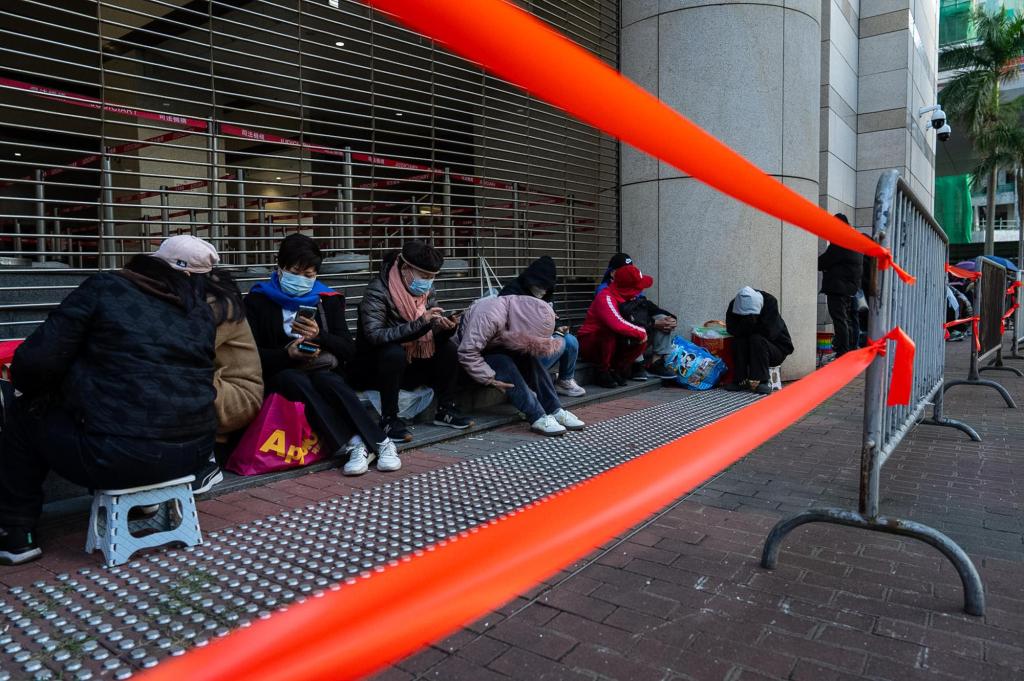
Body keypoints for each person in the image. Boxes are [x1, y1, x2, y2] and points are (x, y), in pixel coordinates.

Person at [0, 237, 221, 566]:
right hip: (194, 456)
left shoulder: (104, 288)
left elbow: (34, 362)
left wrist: (36, 391)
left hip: (116, 456)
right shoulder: (200, 312)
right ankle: (145, 500)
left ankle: (16, 534)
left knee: (22, 413)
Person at [246, 234, 398, 477]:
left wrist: (319, 336)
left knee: (327, 380)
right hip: (280, 373)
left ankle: (382, 443)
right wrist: (287, 354)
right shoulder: (257, 300)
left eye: (309, 274)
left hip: (320, 368)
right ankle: (354, 443)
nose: (301, 279)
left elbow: (348, 349)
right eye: (295, 272)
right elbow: (251, 354)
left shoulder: (327, 300)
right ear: (280, 267)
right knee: (293, 379)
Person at [354, 240, 472, 443]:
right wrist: (421, 323)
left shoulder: (426, 291)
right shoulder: (378, 290)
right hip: (377, 367)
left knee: (448, 349)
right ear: (405, 269)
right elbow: (375, 335)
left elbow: (429, 333)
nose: (428, 282)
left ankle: (446, 410)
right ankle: (389, 419)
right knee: (394, 353)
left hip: (412, 362)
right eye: (424, 277)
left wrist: (445, 328)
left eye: (432, 277)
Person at [457, 294, 585, 436]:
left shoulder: (517, 311)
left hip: (496, 347)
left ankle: (554, 409)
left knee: (529, 359)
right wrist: (489, 378)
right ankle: (537, 416)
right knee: (503, 362)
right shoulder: (488, 316)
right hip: (471, 359)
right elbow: (467, 352)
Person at [200, 266, 263, 469]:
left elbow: (188, 352)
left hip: (240, 397)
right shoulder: (207, 300)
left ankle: (205, 455)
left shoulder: (219, 306)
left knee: (179, 377)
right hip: (223, 389)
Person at [498, 255, 585, 397]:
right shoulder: (512, 293)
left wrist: (557, 327)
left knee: (570, 340)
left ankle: (565, 380)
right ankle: (527, 381)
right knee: (561, 343)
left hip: (540, 342)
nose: (543, 290)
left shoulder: (546, 294)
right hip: (519, 349)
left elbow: (551, 316)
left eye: (546, 287)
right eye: (540, 286)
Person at [596, 253, 676, 379]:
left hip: (639, 328)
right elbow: (622, 318)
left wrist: (670, 318)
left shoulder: (632, 284)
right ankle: (637, 365)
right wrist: (653, 324)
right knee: (635, 323)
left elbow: (645, 306)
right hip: (614, 338)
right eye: (624, 269)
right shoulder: (605, 291)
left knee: (662, 318)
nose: (629, 272)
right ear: (613, 273)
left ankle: (656, 363)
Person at [578, 263, 651, 388]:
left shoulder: (629, 298)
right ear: (628, 288)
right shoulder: (605, 296)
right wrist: (641, 332)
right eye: (636, 287)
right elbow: (616, 324)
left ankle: (616, 369)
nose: (639, 290)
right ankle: (603, 371)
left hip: (613, 342)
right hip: (591, 344)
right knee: (610, 332)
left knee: (641, 338)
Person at [724, 286, 794, 394]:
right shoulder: (734, 305)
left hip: (776, 348)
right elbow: (732, 329)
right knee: (738, 341)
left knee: (756, 339)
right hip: (751, 347)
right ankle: (740, 379)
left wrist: (751, 323)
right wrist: (745, 324)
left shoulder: (769, 302)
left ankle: (763, 381)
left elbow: (770, 332)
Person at [817, 214, 864, 357]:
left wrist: (824, 265)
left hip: (838, 288)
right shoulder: (854, 241)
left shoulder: (841, 241)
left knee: (840, 320)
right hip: (849, 288)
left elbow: (823, 261)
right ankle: (849, 350)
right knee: (847, 320)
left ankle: (842, 353)